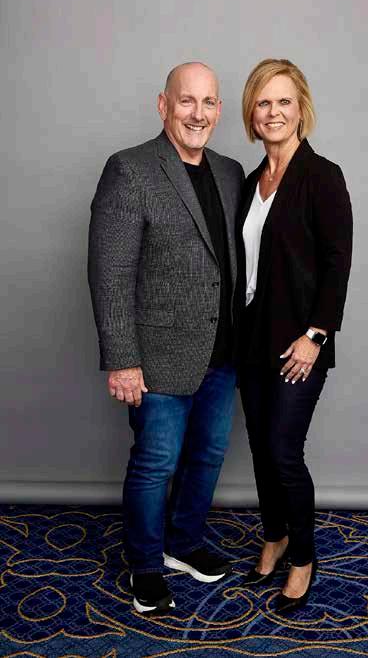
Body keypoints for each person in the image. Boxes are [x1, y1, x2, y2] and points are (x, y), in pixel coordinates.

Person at [88, 62, 245, 615]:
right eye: (187, 101)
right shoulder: (129, 169)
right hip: (155, 357)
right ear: (163, 105)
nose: (198, 113)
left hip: (222, 351)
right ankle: (146, 565)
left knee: (208, 455)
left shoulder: (230, 172)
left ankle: (183, 543)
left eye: (209, 102)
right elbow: (110, 273)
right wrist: (122, 360)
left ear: (219, 110)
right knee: (156, 463)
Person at [235, 58, 352, 613]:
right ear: (251, 114)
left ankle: (303, 556)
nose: (274, 112)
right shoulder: (249, 182)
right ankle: (275, 535)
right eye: (263, 102)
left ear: (301, 108)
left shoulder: (322, 175)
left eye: (284, 101)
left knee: (284, 450)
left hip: (299, 343)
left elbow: (336, 263)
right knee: (261, 449)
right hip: (251, 339)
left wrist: (316, 336)